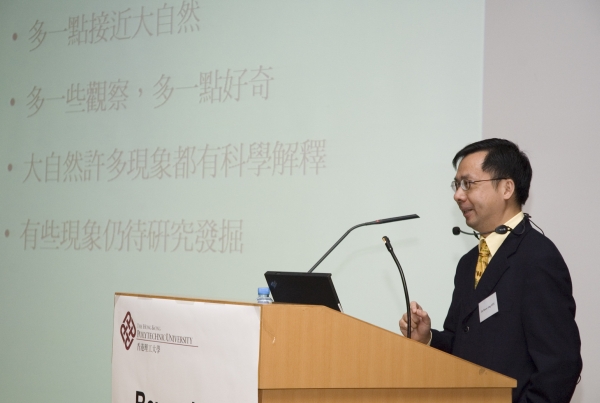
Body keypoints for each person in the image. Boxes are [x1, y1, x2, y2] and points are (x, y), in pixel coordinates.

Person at [400, 138, 582, 403]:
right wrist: (427, 338)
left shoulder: (537, 257)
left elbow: (560, 364)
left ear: (507, 187)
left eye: (468, 183)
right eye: (456, 185)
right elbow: (461, 344)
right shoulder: (468, 263)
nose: (458, 195)